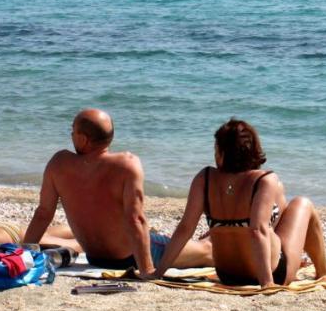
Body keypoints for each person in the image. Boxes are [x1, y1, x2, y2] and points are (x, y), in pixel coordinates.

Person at [144, 118, 326, 286]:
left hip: (228, 274)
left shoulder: (205, 177)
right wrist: (266, 282)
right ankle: (323, 269)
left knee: (278, 208)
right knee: (302, 203)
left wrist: (159, 271)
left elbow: (186, 227)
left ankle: (315, 265)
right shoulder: (265, 179)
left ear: (222, 152)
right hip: (273, 273)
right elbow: (257, 230)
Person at [21, 108, 213, 271]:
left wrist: (23, 255)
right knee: (206, 250)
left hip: (95, 257)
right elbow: (136, 219)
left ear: (83, 139)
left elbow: (43, 213)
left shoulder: (59, 164)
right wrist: (147, 270)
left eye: (73, 131)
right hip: (130, 257)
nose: (71, 135)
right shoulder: (126, 164)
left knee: (191, 244)